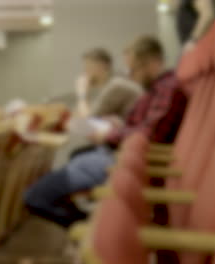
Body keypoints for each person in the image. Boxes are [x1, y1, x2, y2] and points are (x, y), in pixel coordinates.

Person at [24, 36, 188, 228]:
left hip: (124, 161)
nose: (130, 75)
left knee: (35, 197)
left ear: (152, 63)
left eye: (134, 69)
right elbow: (139, 126)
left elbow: (150, 135)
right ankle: (90, 226)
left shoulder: (167, 88)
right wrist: (118, 126)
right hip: (119, 153)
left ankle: (91, 231)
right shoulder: (156, 88)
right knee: (73, 160)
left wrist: (107, 133)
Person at [75, 48, 143, 120]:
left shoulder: (116, 85)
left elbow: (89, 119)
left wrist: (81, 94)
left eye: (88, 67)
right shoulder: (107, 85)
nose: (85, 72)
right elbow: (78, 117)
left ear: (101, 65)